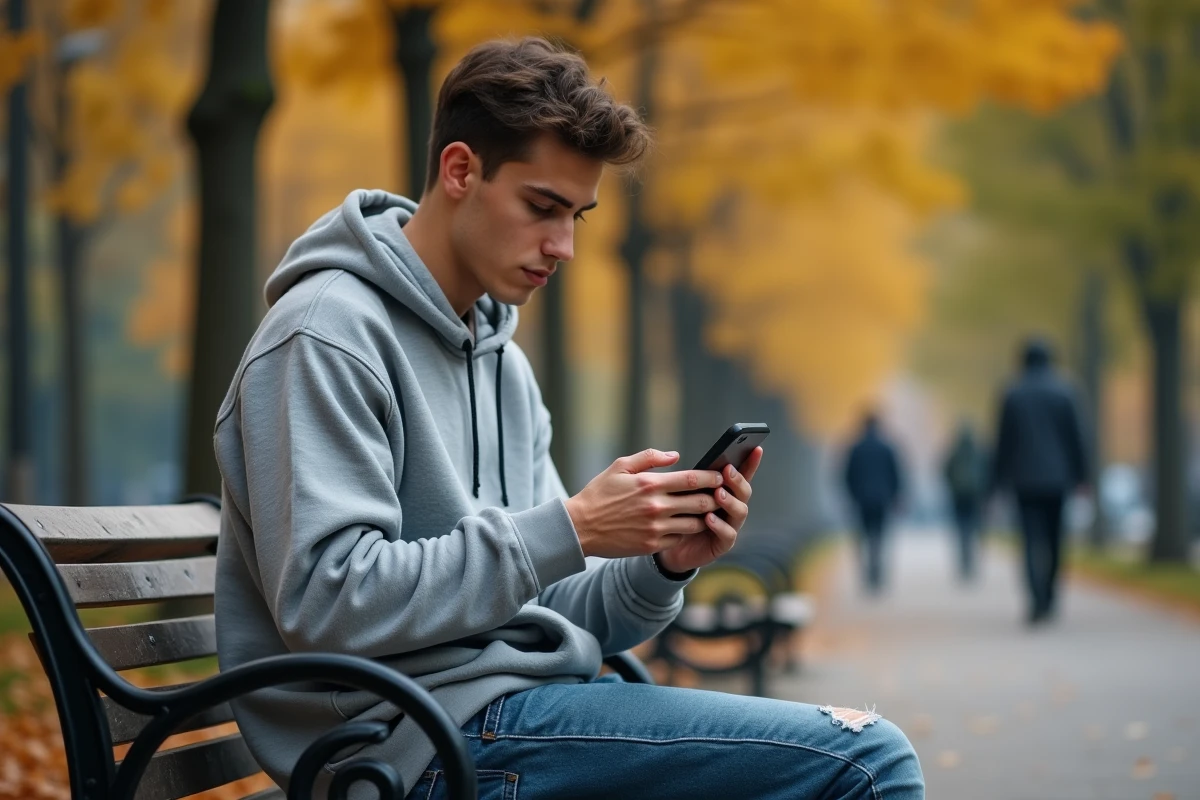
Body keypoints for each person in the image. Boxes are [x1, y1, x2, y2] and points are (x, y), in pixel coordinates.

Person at [213, 37, 923, 799]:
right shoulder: (324, 334)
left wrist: (662, 563)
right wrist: (572, 528)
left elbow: (555, 606)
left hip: (507, 715)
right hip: (405, 749)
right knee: (866, 761)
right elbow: (327, 602)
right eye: (542, 207)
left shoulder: (505, 365)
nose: (565, 246)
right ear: (460, 171)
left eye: (579, 214)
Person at [992, 337, 1089, 625]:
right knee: (1056, 539)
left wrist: (997, 481)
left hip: (1023, 479)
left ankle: (1036, 598)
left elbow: (1002, 442)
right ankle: (1050, 594)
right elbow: (1077, 438)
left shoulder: (1012, 393)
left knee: (1030, 540)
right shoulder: (1066, 392)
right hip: (1058, 480)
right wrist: (1082, 476)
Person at [842, 412, 905, 594]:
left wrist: (852, 495)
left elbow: (847, 475)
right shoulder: (887, 448)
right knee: (879, 537)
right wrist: (895, 496)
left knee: (864, 537)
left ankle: (868, 575)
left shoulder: (856, 448)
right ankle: (877, 573)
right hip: (882, 499)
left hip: (862, 500)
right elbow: (896, 475)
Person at [942, 421, 988, 582]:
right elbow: (987, 471)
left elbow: (945, 470)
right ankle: (970, 559)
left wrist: (951, 485)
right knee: (973, 526)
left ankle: (964, 559)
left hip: (958, 494)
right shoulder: (979, 452)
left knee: (961, 527)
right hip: (975, 494)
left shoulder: (954, 452)